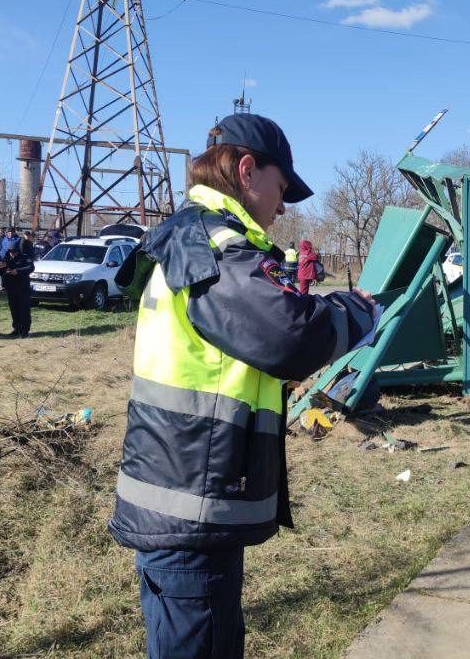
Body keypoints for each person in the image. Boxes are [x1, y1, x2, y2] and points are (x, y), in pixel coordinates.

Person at [107, 113, 377, 659]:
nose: (283, 209)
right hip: (190, 508)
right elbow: (287, 337)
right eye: (282, 191)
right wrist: (358, 311)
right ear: (248, 171)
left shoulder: (198, 241)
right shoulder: (211, 245)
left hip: (194, 501)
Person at [2, 232, 34, 338]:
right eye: (11, 252)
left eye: (14, 252)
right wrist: (2, 269)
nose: (13, 254)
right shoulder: (6, 257)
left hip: (23, 287)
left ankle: (24, 331)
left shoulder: (24, 257)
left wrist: (18, 271)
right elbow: (0, 269)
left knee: (24, 310)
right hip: (11, 288)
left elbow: (31, 267)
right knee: (14, 310)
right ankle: (16, 329)